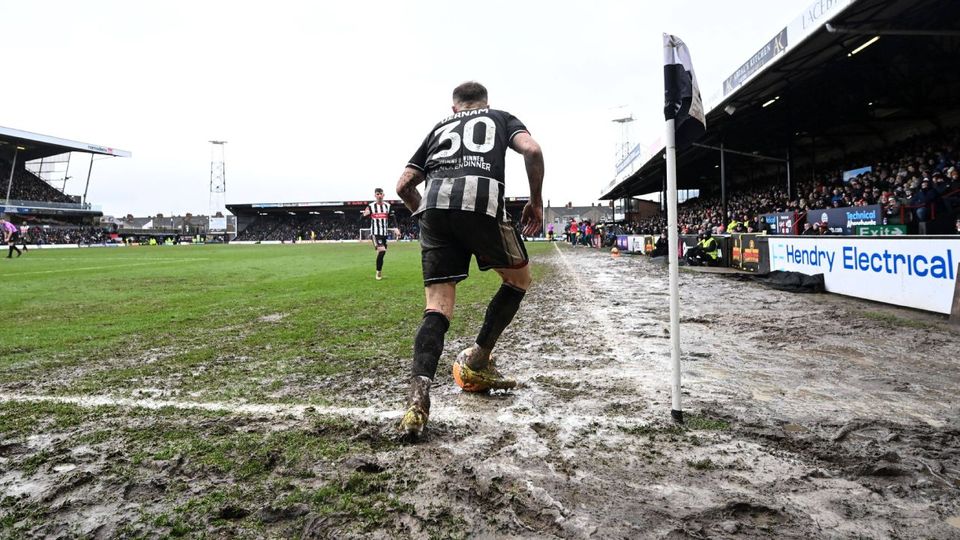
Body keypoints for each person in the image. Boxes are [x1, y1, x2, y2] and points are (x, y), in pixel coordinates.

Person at [394, 81, 544, 437]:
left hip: (434, 208)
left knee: (437, 307)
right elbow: (533, 151)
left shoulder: (439, 128)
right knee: (518, 279)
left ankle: (417, 401)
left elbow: (403, 185)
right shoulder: (500, 117)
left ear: (454, 108)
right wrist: (535, 201)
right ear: (485, 102)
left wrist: (425, 217)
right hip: (481, 203)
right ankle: (478, 358)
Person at [361, 188, 393, 280]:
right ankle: (378, 273)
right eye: (377, 194)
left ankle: (379, 271)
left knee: (381, 253)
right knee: (382, 250)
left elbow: (392, 217)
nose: (379, 195)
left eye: (381, 194)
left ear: (383, 195)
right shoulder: (370, 206)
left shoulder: (388, 206)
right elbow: (360, 219)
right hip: (375, 233)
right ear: (375, 195)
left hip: (384, 234)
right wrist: (364, 214)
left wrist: (396, 228)